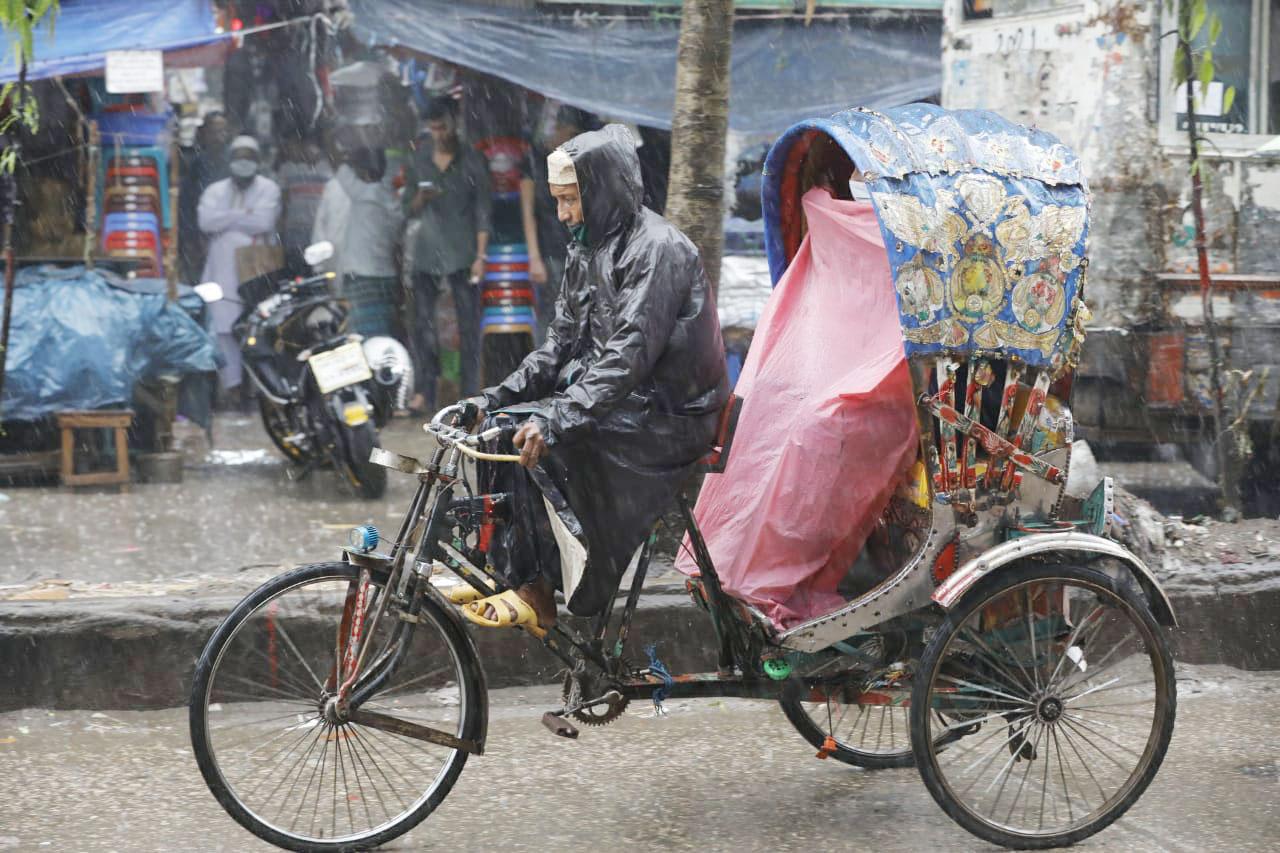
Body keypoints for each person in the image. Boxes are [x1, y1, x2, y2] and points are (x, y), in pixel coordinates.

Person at [455, 124, 730, 636]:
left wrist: (555, 418)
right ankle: (513, 573)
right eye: (557, 202)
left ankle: (539, 588)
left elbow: (627, 356)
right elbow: (559, 345)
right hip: (623, 399)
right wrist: (490, 398)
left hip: (670, 414)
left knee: (535, 439)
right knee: (496, 431)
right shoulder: (587, 247)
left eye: (569, 202)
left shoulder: (658, 249)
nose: (561, 215)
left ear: (601, 191)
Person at [402, 96, 492, 413]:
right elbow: (406, 210)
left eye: (443, 127)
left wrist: (481, 257)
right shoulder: (419, 158)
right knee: (422, 326)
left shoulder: (473, 160)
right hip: (426, 252)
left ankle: (469, 395)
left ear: (455, 122)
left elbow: (483, 212)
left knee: (469, 326)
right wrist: (420, 198)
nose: (438, 134)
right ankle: (424, 392)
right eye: (433, 128)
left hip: (463, 252)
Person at [198, 135, 282, 395]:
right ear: (230, 161)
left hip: (255, 269)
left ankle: (258, 390)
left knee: (257, 328)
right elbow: (205, 221)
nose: (243, 163)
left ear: (257, 161)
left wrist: (225, 220)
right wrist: (244, 215)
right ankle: (231, 388)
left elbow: (264, 222)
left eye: (248, 157)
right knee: (223, 330)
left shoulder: (269, 188)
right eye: (238, 157)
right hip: (221, 271)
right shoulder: (215, 191)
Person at [525, 105, 598, 336]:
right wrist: (534, 257)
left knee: (583, 315)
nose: (570, 139)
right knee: (551, 315)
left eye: (576, 135)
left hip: (582, 250)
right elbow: (528, 213)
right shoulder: (536, 161)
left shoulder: (585, 163)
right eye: (569, 133)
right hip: (550, 253)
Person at [332, 147, 403, 338]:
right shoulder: (393, 200)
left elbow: (339, 167)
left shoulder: (362, 192)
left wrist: (347, 150)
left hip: (361, 277)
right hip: (386, 276)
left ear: (363, 173)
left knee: (359, 334)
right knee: (382, 330)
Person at [179, 110, 233, 283]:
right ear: (204, 133)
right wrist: (192, 237)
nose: (219, 136)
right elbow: (188, 202)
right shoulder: (196, 164)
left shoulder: (232, 163)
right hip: (200, 235)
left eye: (222, 131)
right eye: (214, 131)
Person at [276, 135, 332, 266]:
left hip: (319, 232)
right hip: (294, 234)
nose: (309, 151)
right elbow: (283, 203)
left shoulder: (328, 169)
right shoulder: (287, 169)